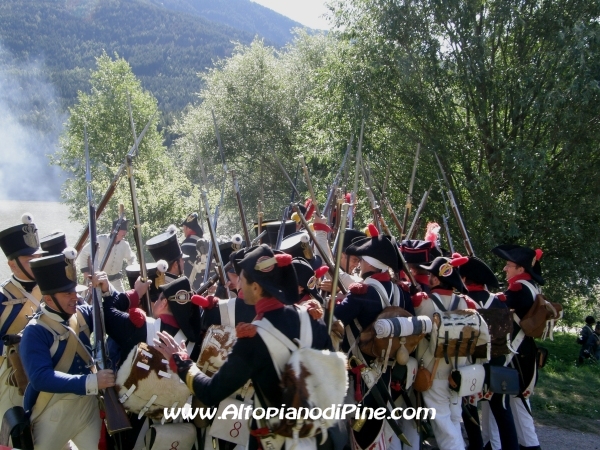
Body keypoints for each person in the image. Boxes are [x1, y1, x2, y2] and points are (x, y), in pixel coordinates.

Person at [155, 244, 335, 450]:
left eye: (242, 278)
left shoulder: (253, 339)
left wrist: (181, 360)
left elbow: (210, 392)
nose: (238, 282)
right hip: (317, 438)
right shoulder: (312, 318)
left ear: (256, 287)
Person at [20, 251, 115, 450]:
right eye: (67, 294)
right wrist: (91, 381)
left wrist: (106, 290)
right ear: (49, 299)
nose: (75, 298)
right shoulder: (35, 331)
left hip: (87, 407)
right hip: (53, 409)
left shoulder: (82, 313)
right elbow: (40, 377)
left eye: (75, 292)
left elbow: (114, 318)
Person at [100, 272, 201, 449]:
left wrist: (135, 293)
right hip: (176, 428)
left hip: (134, 425)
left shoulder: (140, 326)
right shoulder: (196, 345)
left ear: (163, 303)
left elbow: (106, 313)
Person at [334, 224, 407, 450]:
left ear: (370, 264)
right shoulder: (399, 292)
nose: (360, 264)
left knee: (360, 432)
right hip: (386, 371)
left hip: (359, 374)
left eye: (363, 260)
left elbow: (335, 320)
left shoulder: (362, 293)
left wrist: (331, 303)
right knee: (375, 427)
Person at [414, 254, 476, 450]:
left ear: (437, 278)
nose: (428, 278)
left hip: (434, 371)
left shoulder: (425, 303)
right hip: (459, 372)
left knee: (443, 426)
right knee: (453, 420)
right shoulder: (465, 303)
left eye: (431, 274)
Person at [460, 255, 519, 450]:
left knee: (468, 410)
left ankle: (476, 446)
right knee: (502, 411)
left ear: (466, 278)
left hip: (471, 365)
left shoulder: (463, 302)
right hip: (497, 363)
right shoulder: (499, 301)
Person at [491, 244, 544, 450]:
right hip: (522, 353)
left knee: (518, 407)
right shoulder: (530, 287)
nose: (505, 269)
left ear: (521, 269)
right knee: (514, 405)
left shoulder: (519, 288)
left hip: (516, 354)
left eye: (509, 265)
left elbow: (497, 307)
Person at [0, 213, 44, 420]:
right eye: (29, 260)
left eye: (38, 259)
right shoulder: (2, 297)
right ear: (12, 264)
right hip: (13, 379)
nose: (36, 264)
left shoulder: (54, 292)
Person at [78, 218, 137, 292]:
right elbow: (84, 253)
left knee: (122, 301)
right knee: (89, 300)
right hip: (98, 280)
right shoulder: (100, 239)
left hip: (115, 281)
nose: (125, 232)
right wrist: (85, 272)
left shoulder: (125, 245)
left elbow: (131, 258)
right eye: (122, 230)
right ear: (113, 230)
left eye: (125, 230)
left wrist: (134, 268)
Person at [180, 212, 209, 290]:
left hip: (193, 285)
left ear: (188, 228)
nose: (183, 231)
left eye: (184, 228)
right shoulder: (205, 242)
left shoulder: (185, 245)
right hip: (208, 281)